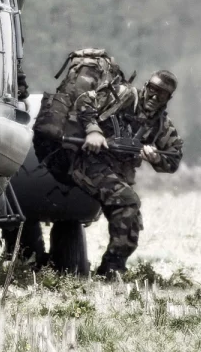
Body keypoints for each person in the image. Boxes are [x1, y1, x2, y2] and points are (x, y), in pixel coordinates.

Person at [70, 69, 183, 278]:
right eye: (153, 89)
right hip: (88, 163)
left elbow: (174, 157)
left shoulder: (160, 124)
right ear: (146, 86)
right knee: (128, 202)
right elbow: (84, 102)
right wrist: (93, 130)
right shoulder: (122, 95)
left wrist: (156, 157)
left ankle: (112, 270)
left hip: (118, 174)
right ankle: (111, 269)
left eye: (163, 94)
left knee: (132, 224)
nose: (155, 96)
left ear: (169, 98)